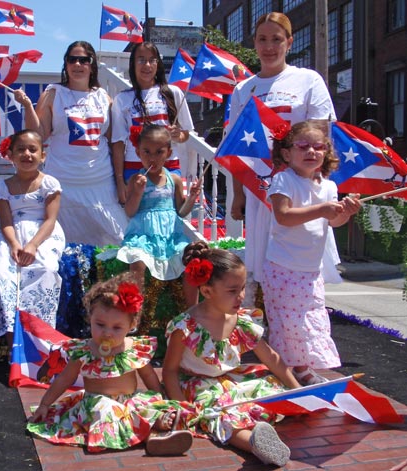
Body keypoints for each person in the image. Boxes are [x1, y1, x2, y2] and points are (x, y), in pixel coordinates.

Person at [228, 12, 340, 305]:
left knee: (300, 255)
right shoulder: (243, 89)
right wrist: (238, 193)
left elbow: (322, 133)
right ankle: (265, 324)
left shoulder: (307, 80)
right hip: (259, 187)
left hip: (300, 187)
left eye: (276, 39)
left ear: (289, 42)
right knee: (262, 258)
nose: (269, 47)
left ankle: (303, 316)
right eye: (262, 39)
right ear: (254, 43)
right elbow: (237, 147)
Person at [162, 241, 301, 467]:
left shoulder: (241, 321)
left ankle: (262, 430)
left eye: (243, 288)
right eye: (232, 291)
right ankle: (252, 442)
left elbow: (270, 358)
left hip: (231, 381)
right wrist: (182, 407)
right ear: (207, 291)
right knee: (217, 414)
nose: (241, 296)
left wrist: (297, 389)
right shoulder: (186, 327)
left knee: (270, 389)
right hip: (199, 386)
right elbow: (169, 371)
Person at [26, 273, 193, 455]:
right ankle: (152, 435)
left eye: (116, 327)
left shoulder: (132, 348)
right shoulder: (85, 351)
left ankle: (156, 433)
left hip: (128, 400)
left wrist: (160, 397)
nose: (107, 333)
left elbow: (148, 375)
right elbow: (64, 379)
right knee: (107, 412)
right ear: (90, 318)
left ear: (132, 325)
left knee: (145, 406)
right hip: (98, 402)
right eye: (100, 324)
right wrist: (45, 404)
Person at [261, 121, 361, 386]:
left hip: (310, 269)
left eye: (318, 147)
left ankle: (300, 368)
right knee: (289, 323)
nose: (311, 152)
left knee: (310, 320)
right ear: (286, 153)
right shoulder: (283, 179)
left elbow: (332, 222)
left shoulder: (328, 186)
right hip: (284, 267)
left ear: (326, 153)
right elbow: (283, 216)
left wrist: (344, 213)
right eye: (303, 146)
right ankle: (292, 370)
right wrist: (322, 210)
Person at [14, 40, 127, 246]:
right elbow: (37, 134)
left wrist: (121, 181)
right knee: (62, 245)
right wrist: (28, 106)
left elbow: (114, 142)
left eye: (83, 60)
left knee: (115, 241)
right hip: (63, 183)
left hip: (100, 184)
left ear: (92, 65)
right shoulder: (53, 94)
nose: (77, 65)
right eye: (72, 59)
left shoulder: (104, 98)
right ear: (65, 64)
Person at [0, 130, 65, 353]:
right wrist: (14, 245)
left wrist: (32, 245)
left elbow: (50, 220)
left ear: (42, 155)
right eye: (21, 149)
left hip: (42, 234)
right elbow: (5, 222)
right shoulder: (4, 186)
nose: (27, 154)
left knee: (44, 269)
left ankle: (39, 341)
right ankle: (11, 342)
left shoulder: (49, 183)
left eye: (33, 149)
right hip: (13, 234)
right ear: (11, 155)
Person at [116, 125, 201, 297]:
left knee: (191, 261)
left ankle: (192, 314)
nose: (152, 158)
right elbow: (130, 212)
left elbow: (181, 212)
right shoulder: (135, 180)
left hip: (170, 237)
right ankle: (135, 310)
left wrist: (191, 198)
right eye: (146, 152)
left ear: (168, 153)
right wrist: (138, 192)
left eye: (159, 152)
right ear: (138, 153)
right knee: (137, 262)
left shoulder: (174, 180)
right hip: (143, 236)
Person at [111, 41, 194, 204]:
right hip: (134, 168)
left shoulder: (173, 93)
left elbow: (186, 134)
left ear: (158, 64)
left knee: (167, 215)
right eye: (141, 60)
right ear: (133, 64)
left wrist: (178, 135)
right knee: (139, 218)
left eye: (152, 60)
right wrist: (120, 181)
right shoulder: (122, 99)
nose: (147, 65)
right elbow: (118, 143)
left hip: (168, 166)